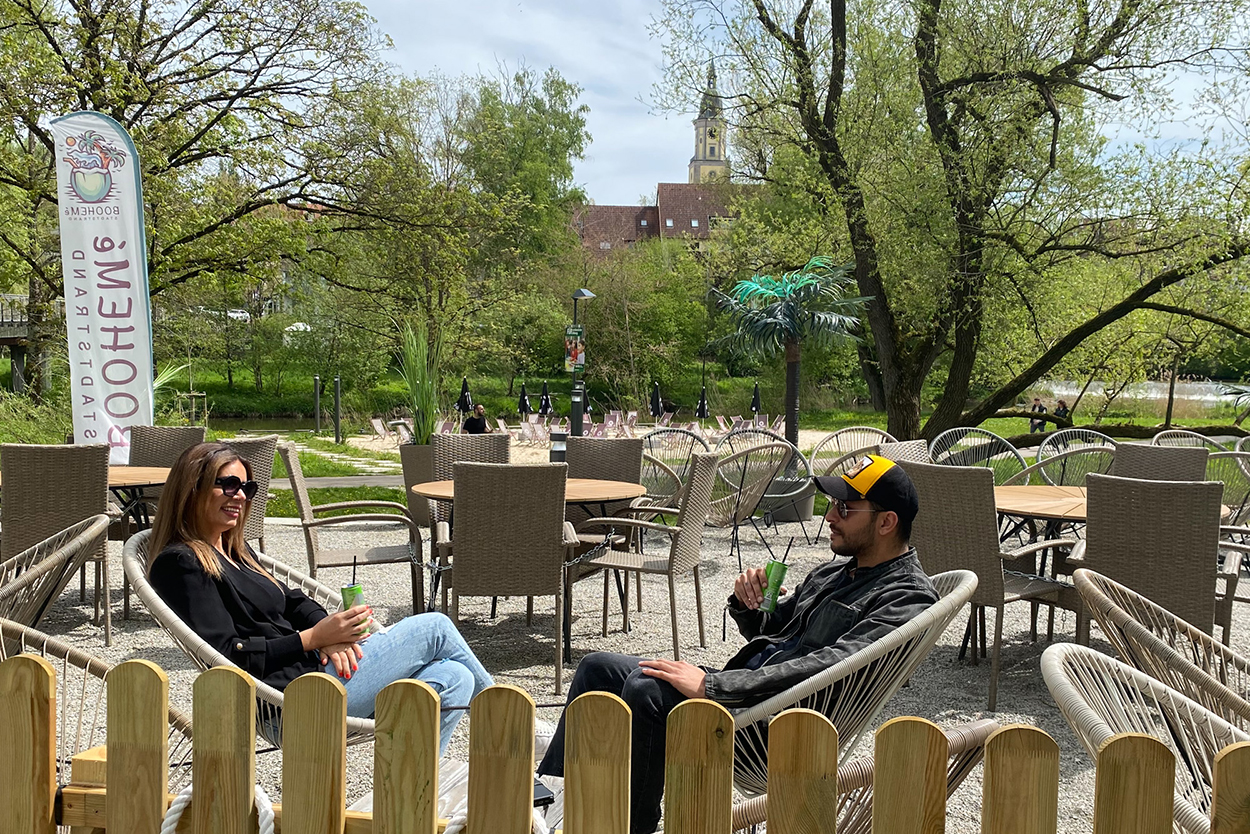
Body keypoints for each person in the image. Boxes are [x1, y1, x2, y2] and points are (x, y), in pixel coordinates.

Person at [536, 454, 939, 834]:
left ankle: (635, 825)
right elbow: (778, 631)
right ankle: (548, 802)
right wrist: (750, 605)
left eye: (845, 509)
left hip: (782, 725)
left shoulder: (907, 598)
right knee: (597, 667)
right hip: (748, 693)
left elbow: (829, 665)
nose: (830, 516)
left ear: (886, 523)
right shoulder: (835, 573)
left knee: (646, 690)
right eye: (832, 502)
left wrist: (714, 688)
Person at [146, 442, 494, 756]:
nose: (240, 496)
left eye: (247, 487)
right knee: (433, 626)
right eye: (229, 485)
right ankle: (508, 729)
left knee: (455, 677)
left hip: (316, 675)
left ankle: (411, 796)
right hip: (290, 702)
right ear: (191, 488)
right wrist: (314, 639)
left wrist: (329, 635)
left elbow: (293, 601)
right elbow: (227, 655)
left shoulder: (234, 549)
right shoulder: (181, 563)